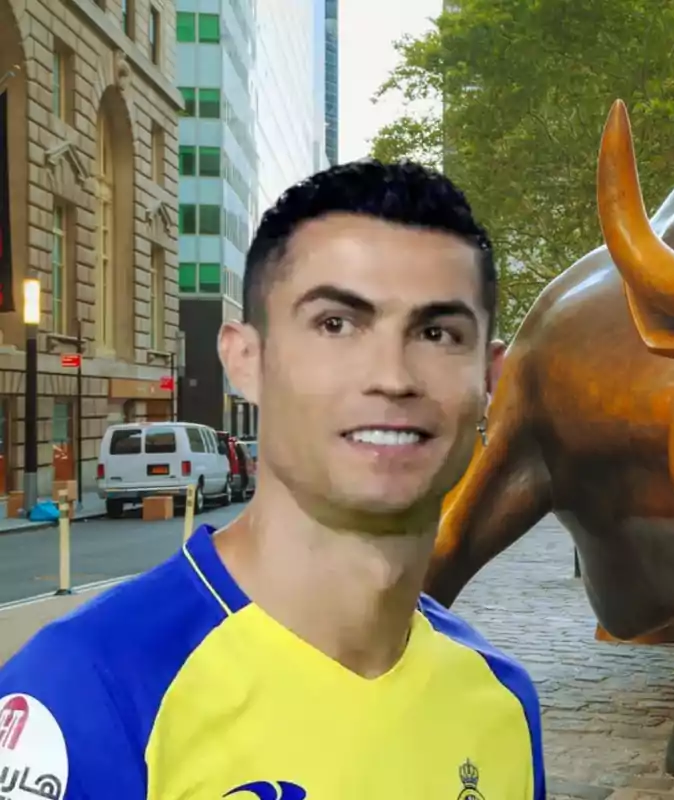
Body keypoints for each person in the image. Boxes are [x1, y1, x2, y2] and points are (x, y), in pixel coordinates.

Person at [0, 160, 545, 799]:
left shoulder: (503, 701)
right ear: (245, 360)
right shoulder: (84, 689)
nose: (392, 376)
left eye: (436, 332)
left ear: (491, 380)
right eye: (336, 324)